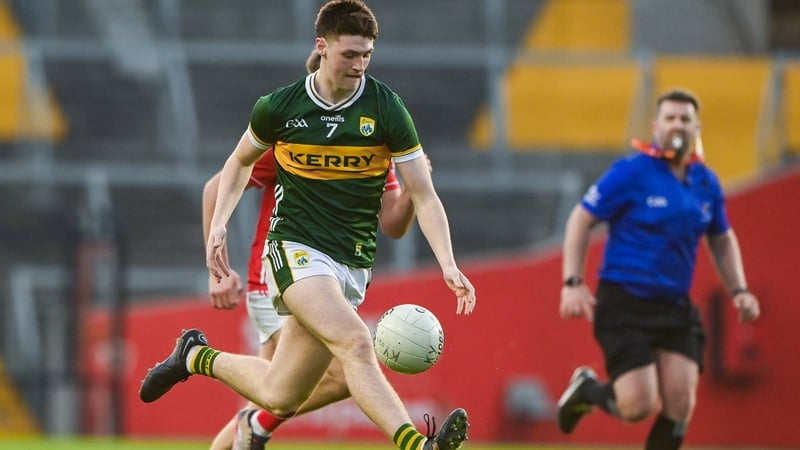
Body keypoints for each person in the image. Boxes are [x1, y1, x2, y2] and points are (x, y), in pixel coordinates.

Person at [140, 2, 476, 450]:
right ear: (322, 47)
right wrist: (219, 226)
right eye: (350, 54)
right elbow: (238, 163)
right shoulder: (280, 108)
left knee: (280, 394)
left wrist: (448, 264)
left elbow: (423, 195)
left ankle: (194, 356)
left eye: (367, 55)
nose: (359, 65)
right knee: (356, 343)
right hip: (294, 251)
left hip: (350, 266)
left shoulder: (387, 110)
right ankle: (417, 444)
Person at [204, 49, 428, 450]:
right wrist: (218, 271)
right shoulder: (290, 138)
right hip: (278, 271)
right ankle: (250, 419)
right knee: (291, 388)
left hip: (327, 271)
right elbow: (215, 187)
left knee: (282, 392)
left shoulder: (374, 145)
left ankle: (252, 422)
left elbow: (393, 224)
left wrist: (415, 191)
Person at [556, 89, 761, 450]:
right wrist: (572, 282)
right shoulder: (632, 172)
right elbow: (580, 219)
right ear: (655, 126)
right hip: (625, 301)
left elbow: (721, 238)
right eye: (670, 118)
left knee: (680, 402)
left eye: (685, 118)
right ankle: (586, 391)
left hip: (674, 306)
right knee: (638, 405)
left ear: (697, 126)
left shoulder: (706, 182)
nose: (677, 125)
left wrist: (740, 290)